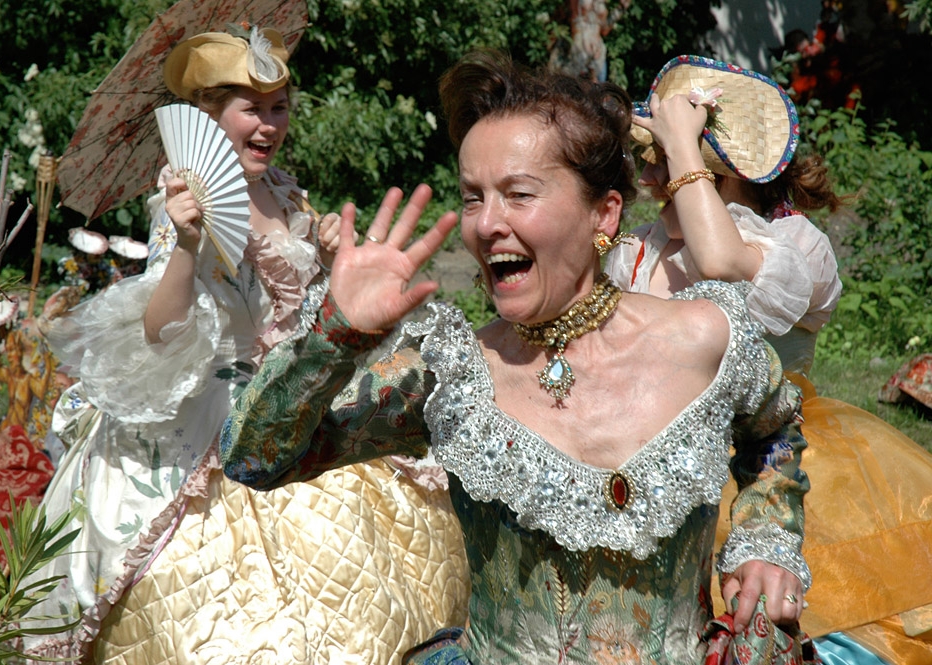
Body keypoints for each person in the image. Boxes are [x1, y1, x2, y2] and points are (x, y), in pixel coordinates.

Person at [219, 49, 816, 664]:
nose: (486, 225)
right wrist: (333, 338)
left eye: (518, 194)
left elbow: (773, 434)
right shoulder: (450, 375)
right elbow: (253, 459)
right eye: (472, 198)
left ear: (603, 213)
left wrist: (765, 539)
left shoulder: (705, 335)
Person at [24, 26, 467, 663]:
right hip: (216, 408)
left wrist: (331, 255)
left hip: (295, 396)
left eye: (279, 107)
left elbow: (307, 304)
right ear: (207, 116)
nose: (269, 125)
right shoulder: (184, 198)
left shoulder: (284, 189)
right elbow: (161, 330)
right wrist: (186, 246)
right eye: (251, 109)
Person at [609, 55, 932, 665]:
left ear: (719, 172)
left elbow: (722, 264)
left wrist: (683, 145)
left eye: (663, 159)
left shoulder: (792, 246)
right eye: (651, 158)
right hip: (661, 461)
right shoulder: (640, 250)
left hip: (779, 461)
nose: (648, 177)